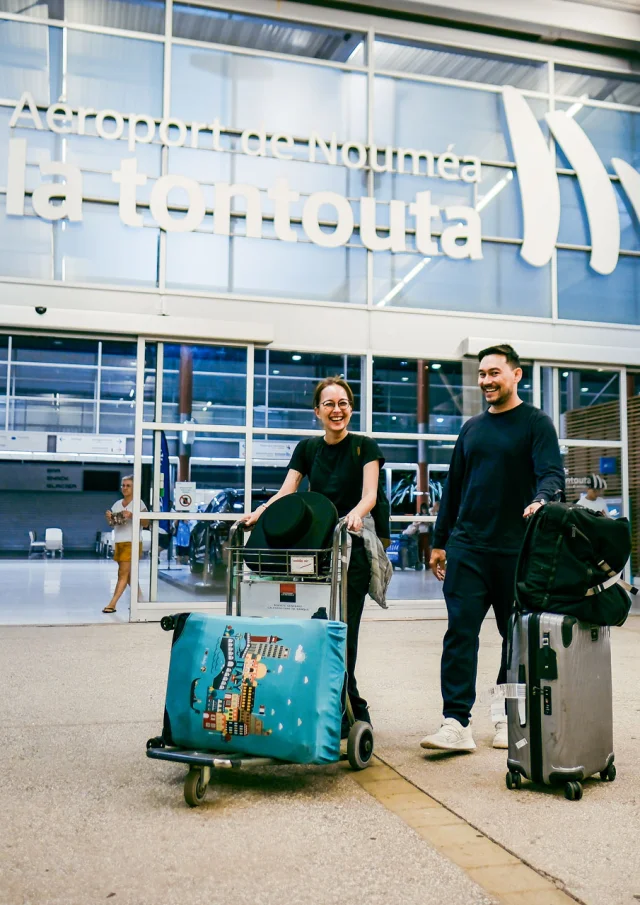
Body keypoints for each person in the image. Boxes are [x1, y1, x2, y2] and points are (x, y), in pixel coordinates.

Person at [421, 344, 565, 752]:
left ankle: (505, 715)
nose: (485, 380)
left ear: (516, 375)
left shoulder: (536, 423)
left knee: (514, 638)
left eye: (494, 373)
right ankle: (455, 722)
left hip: (515, 549)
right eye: (482, 373)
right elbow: (453, 486)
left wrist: (542, 498)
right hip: (468, 546)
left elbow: (551, 471)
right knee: (460, 634)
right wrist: (440, 542)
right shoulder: (471, 428)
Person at [241, 376, 386, 730]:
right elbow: (287, 491)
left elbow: (370, 494)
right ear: (317, 411)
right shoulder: (308, 448)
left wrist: (355, 514)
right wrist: (259, 514)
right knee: (312, 626)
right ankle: (326, 702)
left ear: (351, 408)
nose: (337, 411)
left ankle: (351, 706)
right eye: (329, 404)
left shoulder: (365, 447)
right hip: (318, 545)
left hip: (350, 544)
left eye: (344, 404)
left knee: (342, 630)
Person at [102, 475, 149, 613]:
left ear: (134, 488)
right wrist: (109, 518)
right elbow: (113, 524)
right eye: (123, 485)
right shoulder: (117, 504)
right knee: (128, 575)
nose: (125, 488)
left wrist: (132, 515)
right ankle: (141, 599)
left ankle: (112, 603)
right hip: (119, 542)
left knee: (122, 573)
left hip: (132, 542)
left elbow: (146, 523)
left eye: (128, 485)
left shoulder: (139, 503)